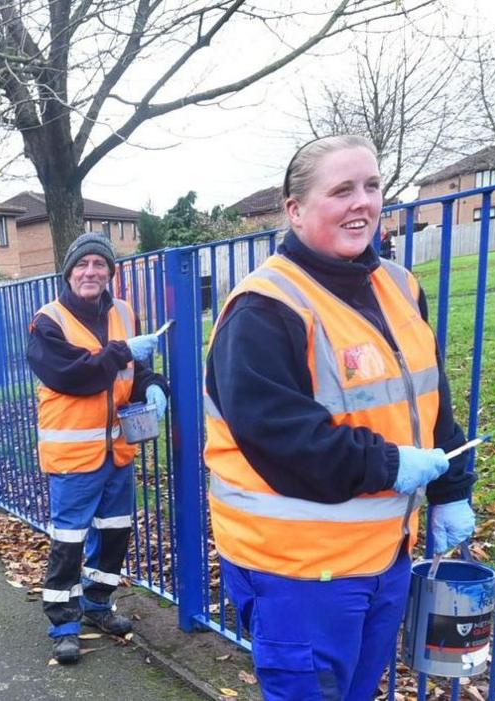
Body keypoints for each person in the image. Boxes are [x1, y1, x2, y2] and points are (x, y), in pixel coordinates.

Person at [204, 135, 476, 700]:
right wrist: (389, 465)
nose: (363, 203)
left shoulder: (400, 287)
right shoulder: (263, 308)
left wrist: (451, 486)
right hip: (300, 572)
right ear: (295, 210)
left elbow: (429, 400)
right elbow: (283, 441)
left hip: (384, 554)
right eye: (342, 190)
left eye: (372, 186)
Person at [26, 232, 169, 664]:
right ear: (69, 272)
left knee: (114, 534)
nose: (91, 272)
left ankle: (98, 605)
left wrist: (154, 386)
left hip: (117, 452)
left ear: (110, 272)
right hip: (74, 458)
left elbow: (134, 368)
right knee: (69, 541)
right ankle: (64, 624)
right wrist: (123, 351)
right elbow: (74, 375)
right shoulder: (47, 321)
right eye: (82, 265)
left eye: (100, 265)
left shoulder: (123, 311)